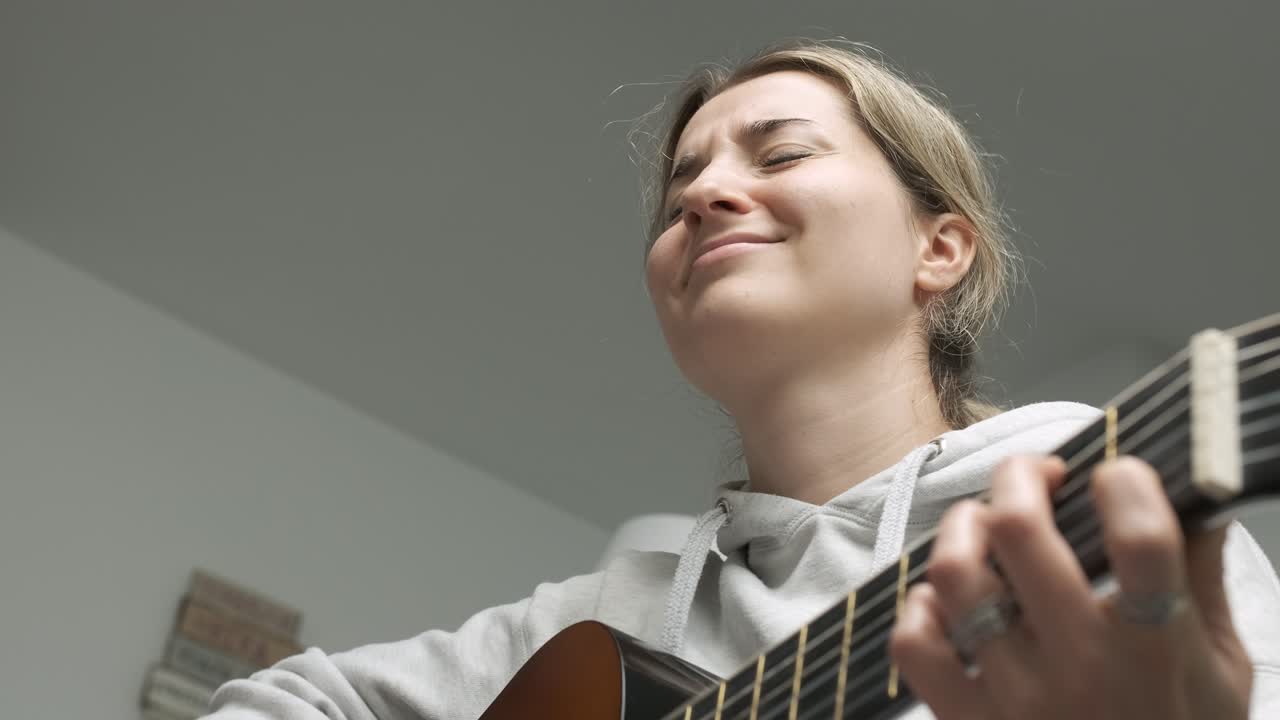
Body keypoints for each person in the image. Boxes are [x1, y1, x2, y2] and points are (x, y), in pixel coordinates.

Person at [203, 38, 1280, 719]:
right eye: (681, 185)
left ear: (936, 249)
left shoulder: (1095, 510)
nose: (704, 195)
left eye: (777, 156)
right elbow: (284, 699)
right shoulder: (594, 622)